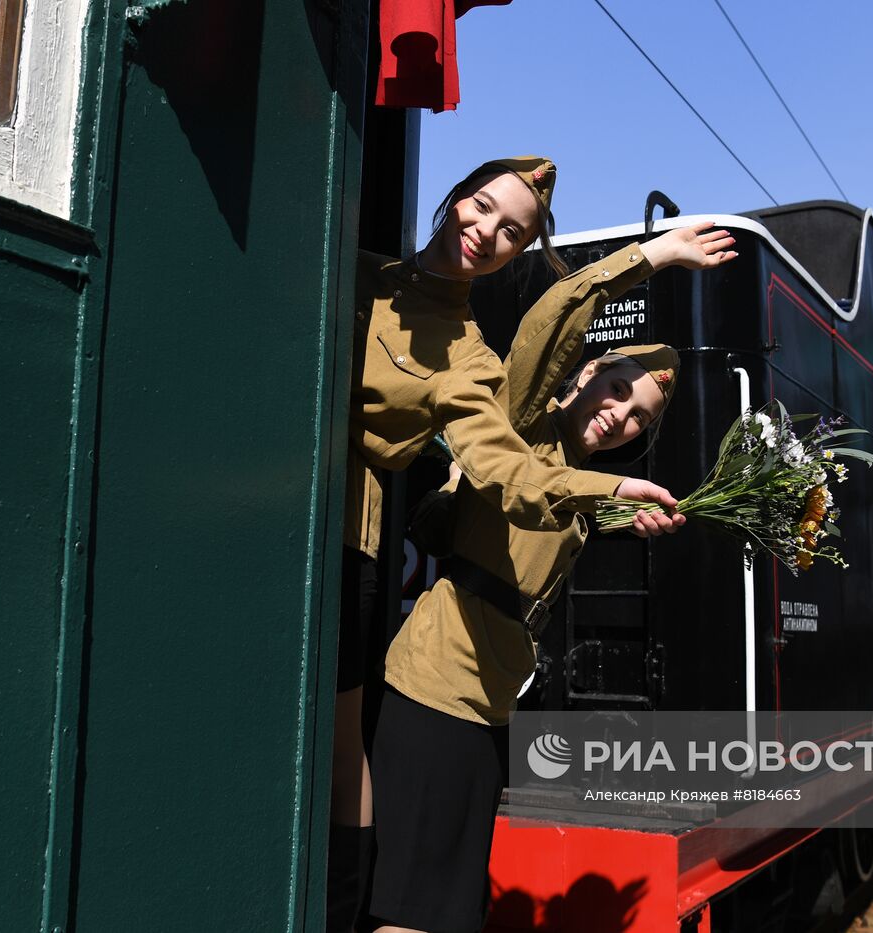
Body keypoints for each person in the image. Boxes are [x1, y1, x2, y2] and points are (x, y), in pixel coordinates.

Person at [327, 155, 736, 928]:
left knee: (439, 908)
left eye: (640, 418)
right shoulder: (518, 410)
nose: (621, 415)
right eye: (617, 388)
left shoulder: (585, 494)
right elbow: (557, 310)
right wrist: (655, 255)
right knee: (414, 907)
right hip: (438, 681)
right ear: (582, 374)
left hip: (487, 706)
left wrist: (622, 505)